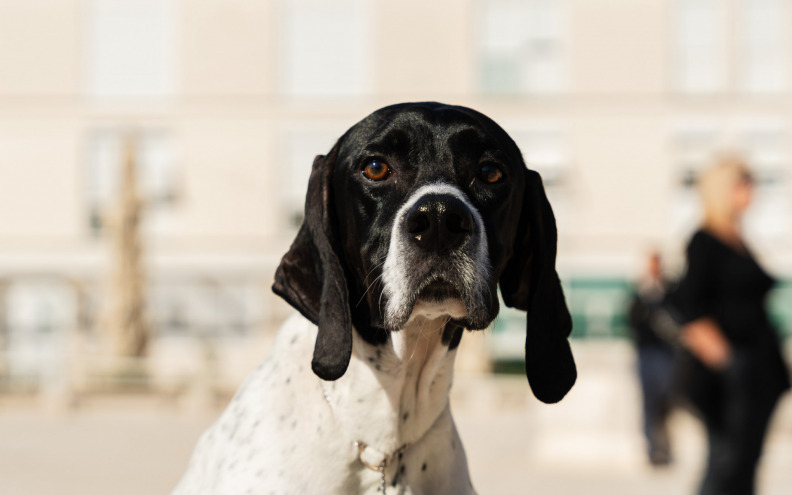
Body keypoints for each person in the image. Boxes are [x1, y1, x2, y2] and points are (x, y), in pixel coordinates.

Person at [672, 155, 790, 495]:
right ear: (723, 190)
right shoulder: (704, 240)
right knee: (726, 464)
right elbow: (690, 308)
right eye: (744, 182)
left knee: (745, 465)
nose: (752, 190)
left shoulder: (739, 238)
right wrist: (730, 364)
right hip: (730, 379)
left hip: (758, 371)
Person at [628, 251, 676, 466]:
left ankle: (664, 448)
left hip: (665, 355)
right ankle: (653, 451)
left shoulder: (668, 292)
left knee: (666, 401)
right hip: (647, 354)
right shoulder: (640, 295)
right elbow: (633, 322)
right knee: (649, 404)